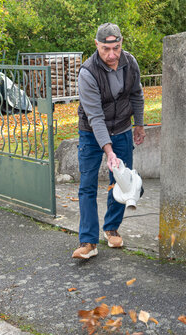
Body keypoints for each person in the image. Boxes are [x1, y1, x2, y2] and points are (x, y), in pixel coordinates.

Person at [72, 23, 146, 259]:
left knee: (122, 181)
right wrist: (109, 150)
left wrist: (139, 124)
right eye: (106, 49)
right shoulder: (88, 73)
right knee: (88, 185)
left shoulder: (129, 62)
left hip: (122, 127)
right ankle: (88, 242)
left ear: (121, 43)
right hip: (91, 133)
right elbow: (95, 116)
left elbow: (136, 94)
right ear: (97, 45)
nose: (112, 55)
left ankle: (111, 228)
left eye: (116, 48)